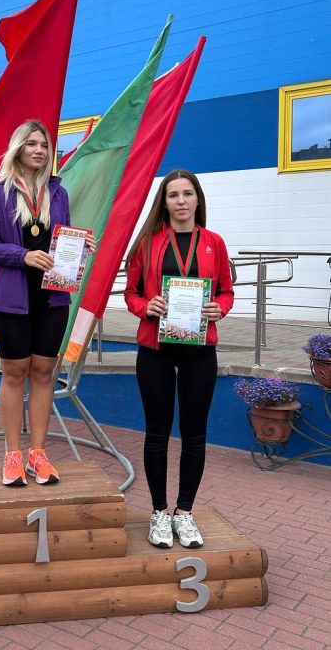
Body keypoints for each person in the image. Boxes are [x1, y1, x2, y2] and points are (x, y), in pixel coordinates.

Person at [0, 120, 95, 487]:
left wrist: (79, 247)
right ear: (18, 148)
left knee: (44, 372)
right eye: (31, 144)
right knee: (15, 373)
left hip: (52, 297)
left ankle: (38, 454)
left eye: (44, 145)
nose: (39, 150)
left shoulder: (58, 193)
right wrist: (24, 256)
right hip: (11, 297)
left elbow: (63, 238)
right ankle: (13, 454)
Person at [124, 169, 233, 549]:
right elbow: (131, 292)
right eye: (174, 195)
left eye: (188, 193)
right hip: (155, 351)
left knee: (194, 435)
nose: (181, 201)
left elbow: (226, 291)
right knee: (157, 434)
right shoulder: (147, 243)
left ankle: (184, 512)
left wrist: (220, 308)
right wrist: (145, 306)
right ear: (164, 201)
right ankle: (158, 511)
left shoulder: (214, 243)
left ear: (198, 199)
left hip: (199, 353)